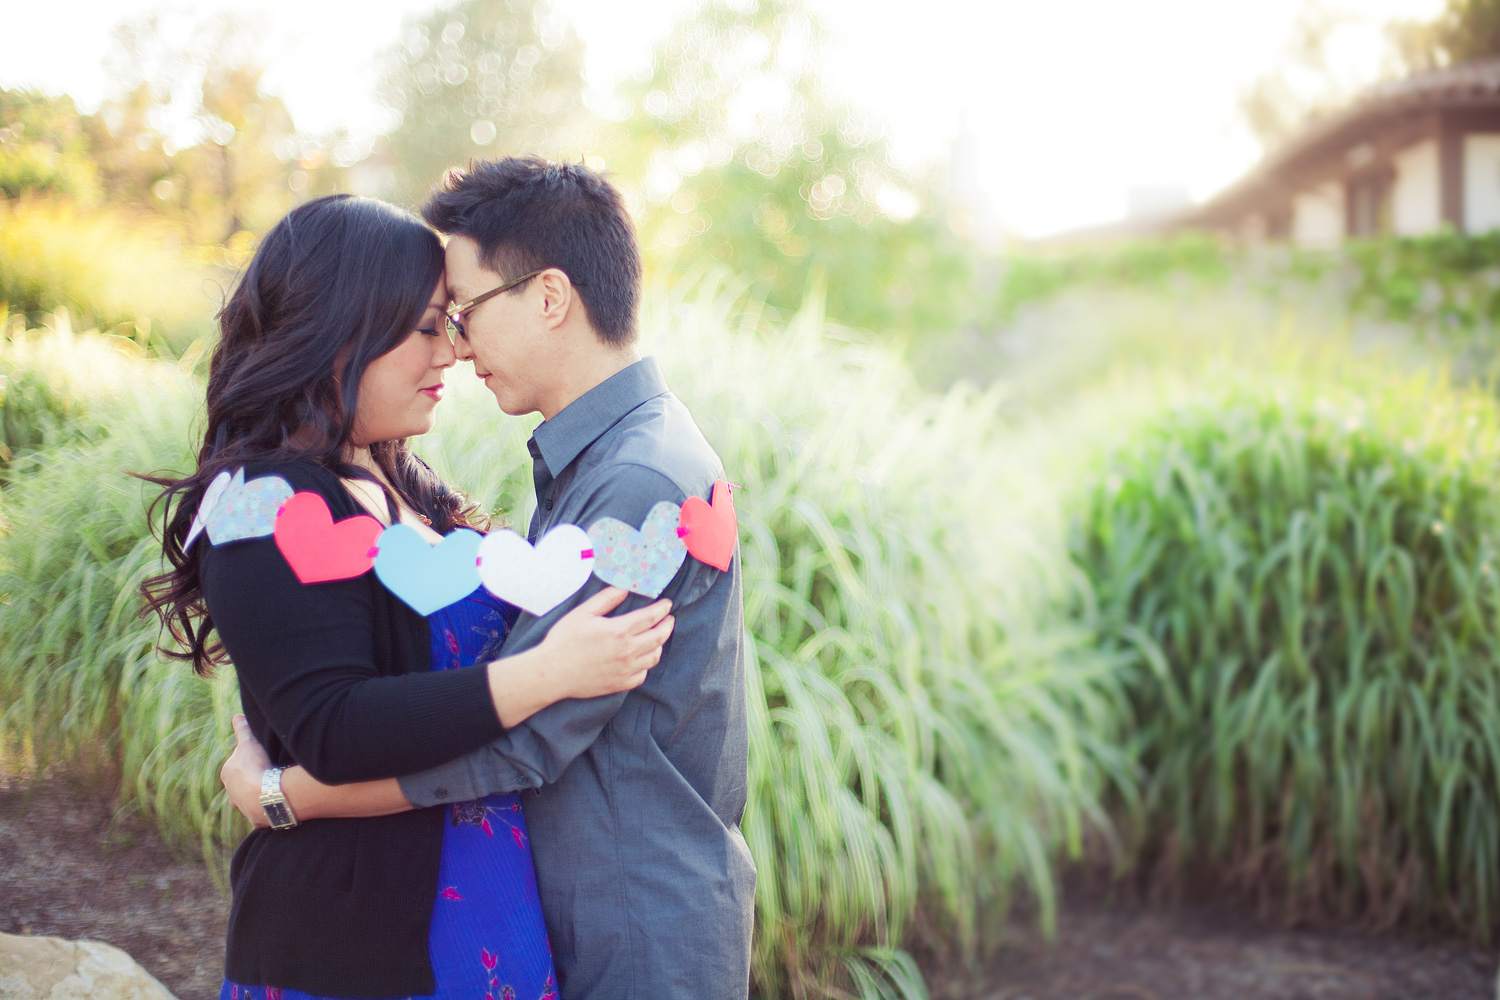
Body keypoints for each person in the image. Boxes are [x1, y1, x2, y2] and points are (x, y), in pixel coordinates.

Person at [220, 158, 756, 1000]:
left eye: (461, 315)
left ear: (549, 298)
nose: (457, 348)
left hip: (630, 927)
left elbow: (528, 737)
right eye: (433, 325)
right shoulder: (608, 457)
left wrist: (291, 794)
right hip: (563, 917)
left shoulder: (637, 480)